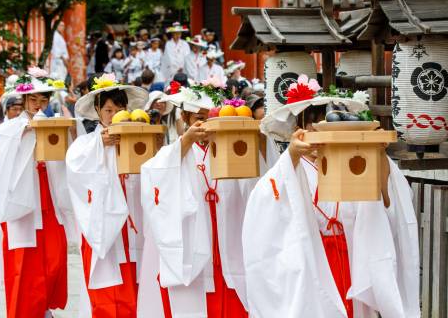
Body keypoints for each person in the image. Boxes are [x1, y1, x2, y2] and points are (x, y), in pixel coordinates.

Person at [242, 75, 420, 318]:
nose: (319, 133)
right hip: (312, 261)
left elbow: (386, 200)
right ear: (298, 131)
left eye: (325, 125)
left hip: (353, 257)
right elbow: (264, 204)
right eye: (312, 126)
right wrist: (292, 156)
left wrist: (378, 155)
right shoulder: (289, 169)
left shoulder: (352, 159)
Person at [138, 85, 265, 317]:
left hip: (228, 240)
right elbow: (153, 177)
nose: (206, 125)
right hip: (196, 242)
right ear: (185, 117)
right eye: (199, 118)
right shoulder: (175, 152)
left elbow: (258, 183)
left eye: (211, 118)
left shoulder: (232, 150)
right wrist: (185, 142)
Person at [0, 68, 76, 318]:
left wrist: (71, 132)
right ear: (24, 100)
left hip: (49, 199)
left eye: (43, 99)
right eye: (33, 99)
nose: (39, 104)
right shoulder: (10, 127)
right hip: (24, 204)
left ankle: (45, 307)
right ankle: (26, 311)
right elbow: (2, 143)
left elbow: (71, 152)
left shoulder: (53, 124)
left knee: (54, 260)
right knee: (24, 264)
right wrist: (25, 131)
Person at [67, 73, 149, 317]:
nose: (113, 116)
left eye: (119, 109)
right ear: (98, 111)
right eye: (108, 110)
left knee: (138, 282)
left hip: (136, 221)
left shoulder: (139, 139)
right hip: (104, 223)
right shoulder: (85, 145)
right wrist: (99, 145)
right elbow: (75, 169)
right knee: (107, 288)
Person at [0, 95, 23, 207]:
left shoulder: (24, 126)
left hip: (18, 168)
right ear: (6, 111)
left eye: (20, 109)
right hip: (0, 167)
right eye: (14, 109)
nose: (18, 113)